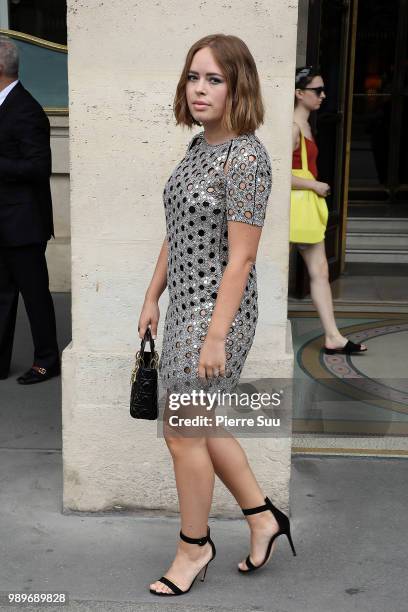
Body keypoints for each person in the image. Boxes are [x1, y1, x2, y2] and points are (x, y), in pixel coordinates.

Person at [138, 34, 296, 598]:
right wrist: (153, 293)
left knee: (183, 433)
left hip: (218, 313)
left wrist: (216, 335)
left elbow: (243, 256)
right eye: (193, 77)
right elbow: (176, 229)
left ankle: (193, 546)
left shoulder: (247, 156)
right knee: (203, 426)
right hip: (183, 306)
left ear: (238, 86)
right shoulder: (197, 149)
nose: (200, 90)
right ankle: (262, 517)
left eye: (214, 79)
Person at [291, 66, 367, 355]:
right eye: (317, 91)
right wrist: (314, 186)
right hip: (297, 207)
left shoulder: (306, 125)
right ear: (299, 93)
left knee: (320, 270)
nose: (323, 95)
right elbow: (276, 173)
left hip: (305, 208)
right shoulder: (294, 127)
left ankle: (333, 336)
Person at [0, 36, 60, 384]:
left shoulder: (27, 110)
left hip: (24, 224)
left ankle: (46, 360)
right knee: (2, 295)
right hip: (5, 221)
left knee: (35, 296)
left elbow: (38, 168)